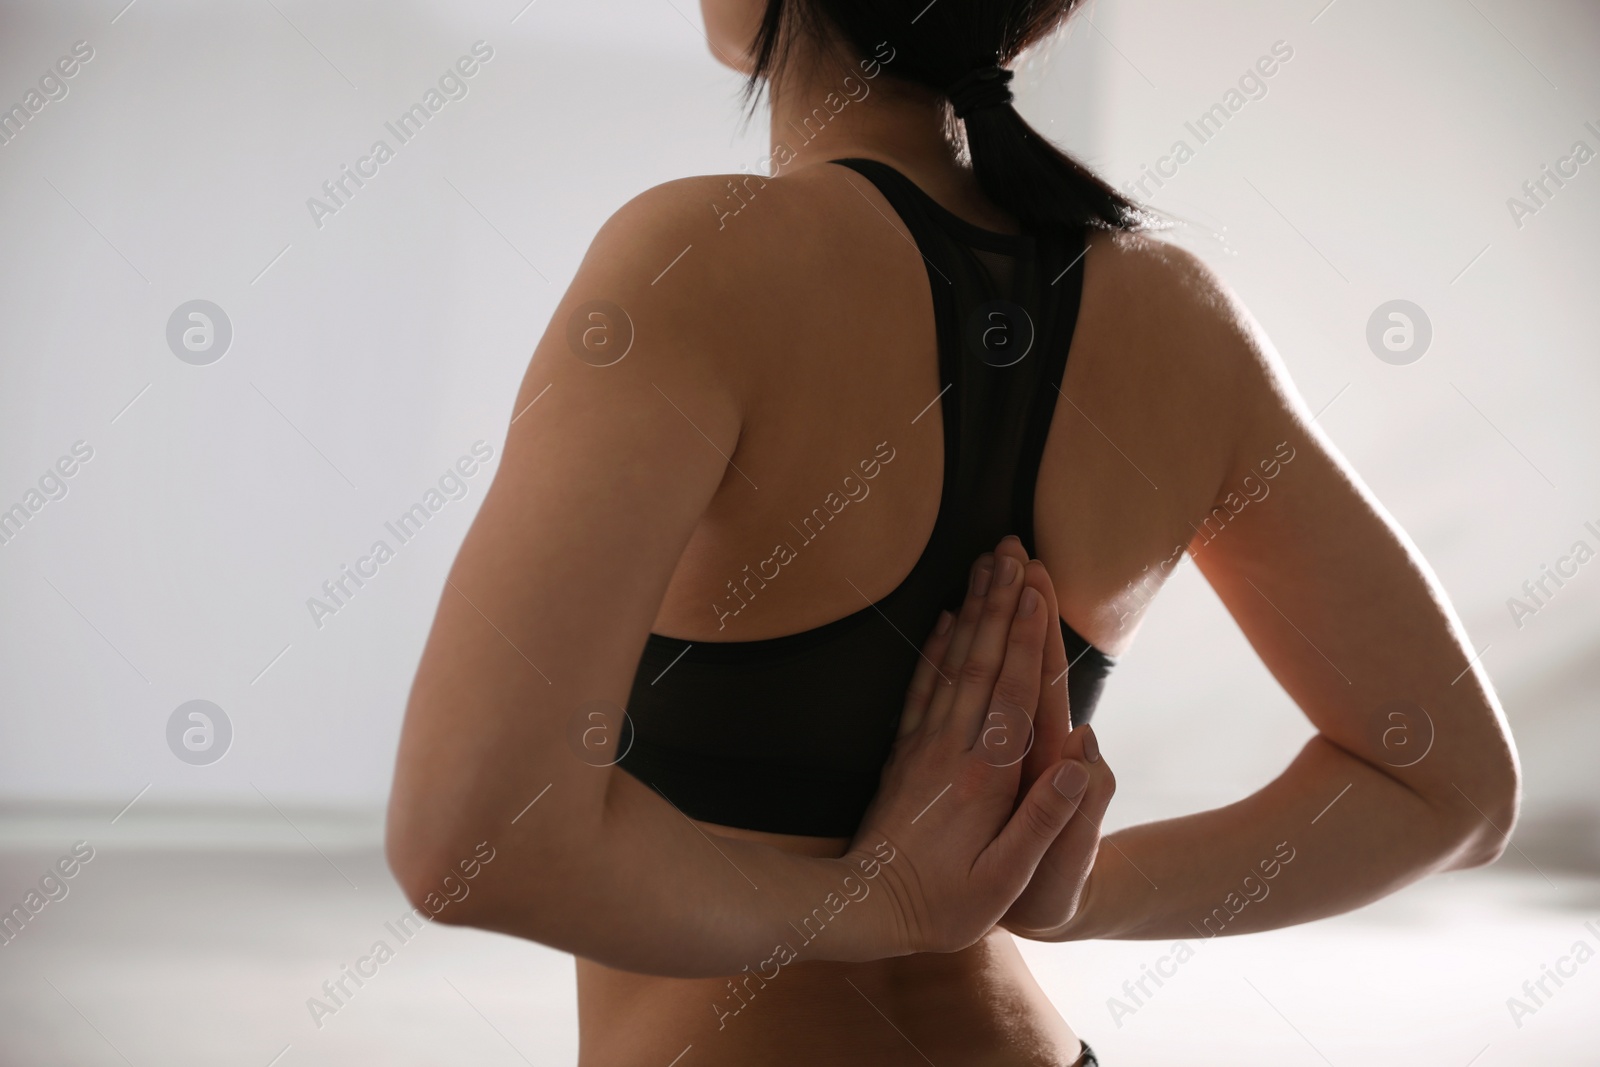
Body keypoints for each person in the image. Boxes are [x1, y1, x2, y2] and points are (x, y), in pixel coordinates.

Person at [385, 2, 1522, 1063]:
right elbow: (1450, 788)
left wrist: (881, 902)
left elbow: (470, 842)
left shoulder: (700, 259)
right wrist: (1074, 895)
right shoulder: (1178, 317)